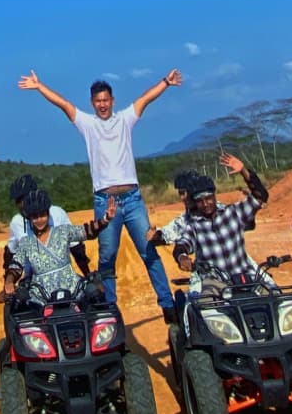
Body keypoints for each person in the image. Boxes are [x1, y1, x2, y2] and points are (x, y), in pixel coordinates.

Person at [18, 68, 182, 320]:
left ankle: (168, 305)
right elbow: (64, 105)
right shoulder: (88, 124)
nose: (102, 105)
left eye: (106, 100)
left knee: (149, 250)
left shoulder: (125, 119)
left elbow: (145, 99)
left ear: (112, 101)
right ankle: (109, 310)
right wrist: (40, 87)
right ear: (92, 103)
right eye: (98, 101)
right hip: (106, 202)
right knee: (107, 258)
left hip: (133, 199)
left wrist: (166, 83)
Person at [150, 156, 272, 285]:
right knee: (200, 299)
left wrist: (243, 171)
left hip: (242, 268)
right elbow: (172, 239)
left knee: (275, 294)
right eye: (181, 193)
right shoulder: (187, 223)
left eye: (187, 193)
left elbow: (260, 197)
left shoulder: (229, 212)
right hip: (210, 277)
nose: (184, 198)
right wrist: (157, 237)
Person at [1, 190, 115, 303]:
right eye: (35, 217)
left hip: (73, 288)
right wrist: (9, 281)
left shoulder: (63, 231)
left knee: (96, 295)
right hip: (40, 296)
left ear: (48, 214)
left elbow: (87, 231)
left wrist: (105, 219)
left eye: (42, 215)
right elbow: (15, 266)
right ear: (29, 218)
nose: (39, 220)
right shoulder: (26, 242)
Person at [168, 174, 272, 294]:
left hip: (246, 277)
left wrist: (244, 171)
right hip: (214, 284)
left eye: (208, 198)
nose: (205, 204)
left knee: (277, 302)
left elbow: (261, 196)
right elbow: (182, 245)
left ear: (214, 195)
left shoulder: (233, 213)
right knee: (206, 308)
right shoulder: (194, 226)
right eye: (200, 201)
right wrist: (182, 257)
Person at [4, 173, 90, 274]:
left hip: (62, 273)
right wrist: (8, 282)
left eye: (24, 198)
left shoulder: (57, 213)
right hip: (33, 278)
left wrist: (88, 275)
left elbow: (75, 246)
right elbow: (11, 252)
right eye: (18, 200)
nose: (22, 204)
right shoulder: (16, 222)